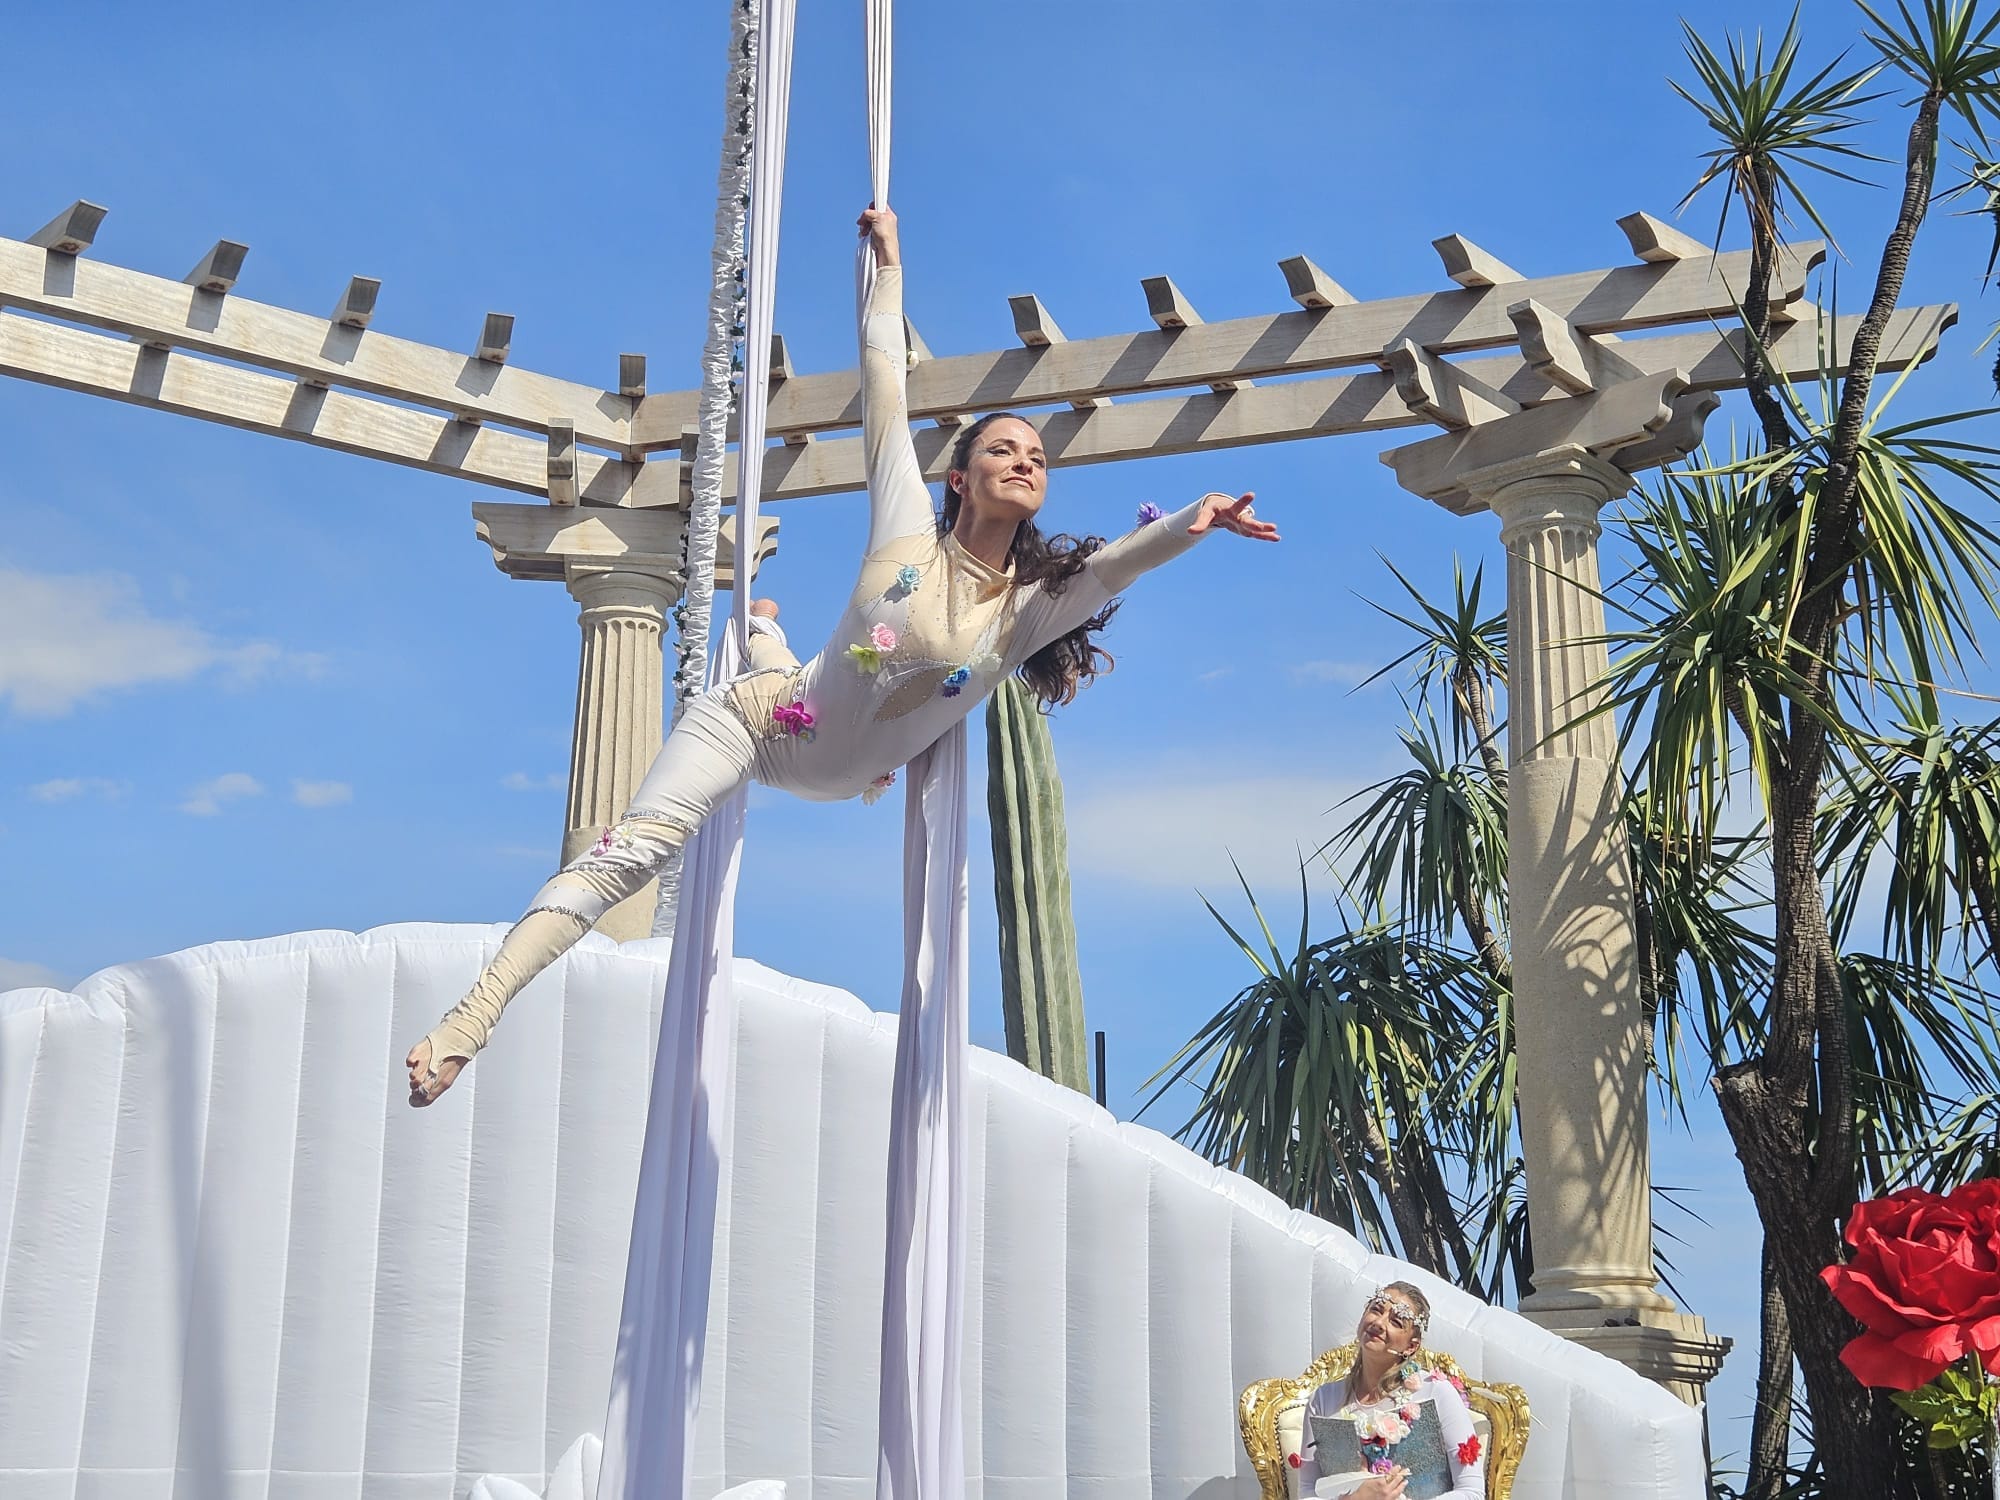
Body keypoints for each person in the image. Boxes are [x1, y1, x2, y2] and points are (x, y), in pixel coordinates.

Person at [403, 204, 1279, 1104]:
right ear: (960, 476)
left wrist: (1197, 517)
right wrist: (888, 270)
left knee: (798, 666)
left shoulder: (1024, 614)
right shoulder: (906, 531)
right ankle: (469, 1022)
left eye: (1038, 458)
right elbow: (885, 388)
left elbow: (1113, 566)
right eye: (1004, 450)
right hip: (752, 728)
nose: (1026, 462)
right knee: (628, 854)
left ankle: (764, 629)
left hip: (831, 749)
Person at [1298, 1283, 1486, 1500]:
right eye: (1376, 1309)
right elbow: (1307, 1491)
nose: (1379, 1323)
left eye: (1396, 1322)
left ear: (1411, 1347)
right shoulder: (1324, 1398)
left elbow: (1472, 1492)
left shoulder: (1437, 1392)